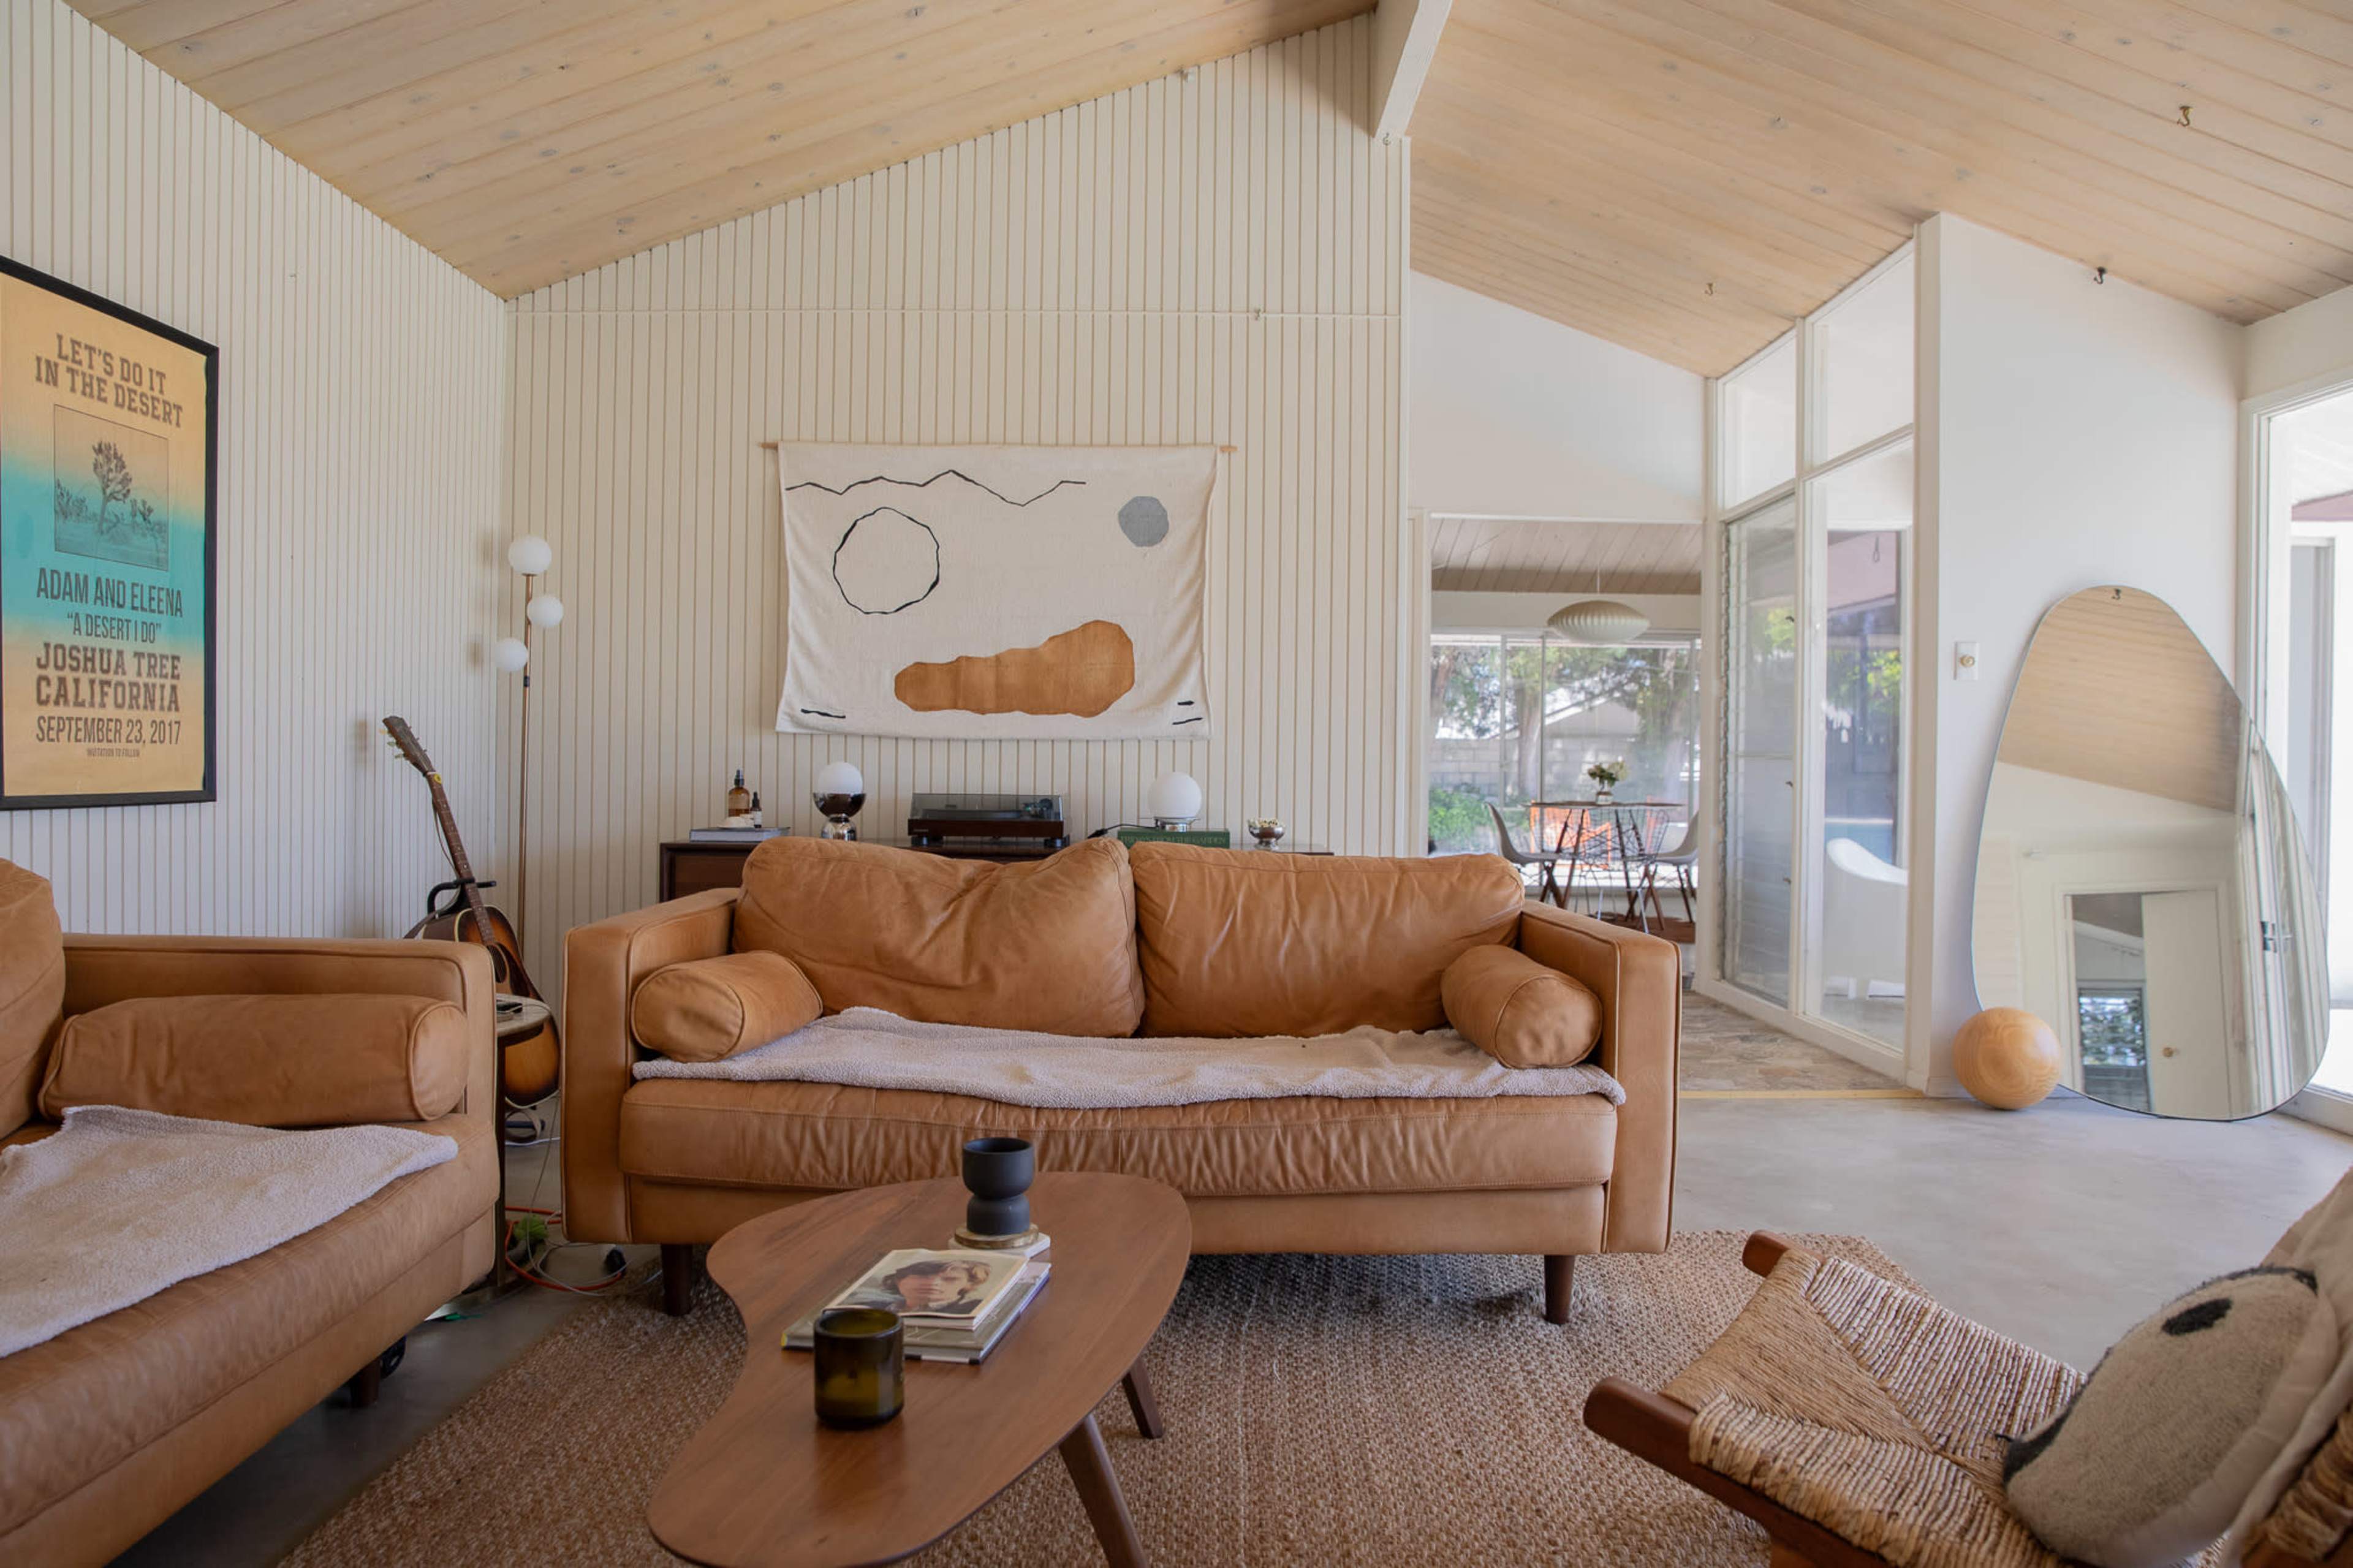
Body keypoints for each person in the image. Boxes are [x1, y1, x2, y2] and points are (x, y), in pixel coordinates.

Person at [843, 1257, 995, 1317]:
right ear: (898, 1281)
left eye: (950, 1279)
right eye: (923, 1276)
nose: (934, 1283)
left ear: (968, 1285)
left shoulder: (976, 1309)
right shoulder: (864, 1308)